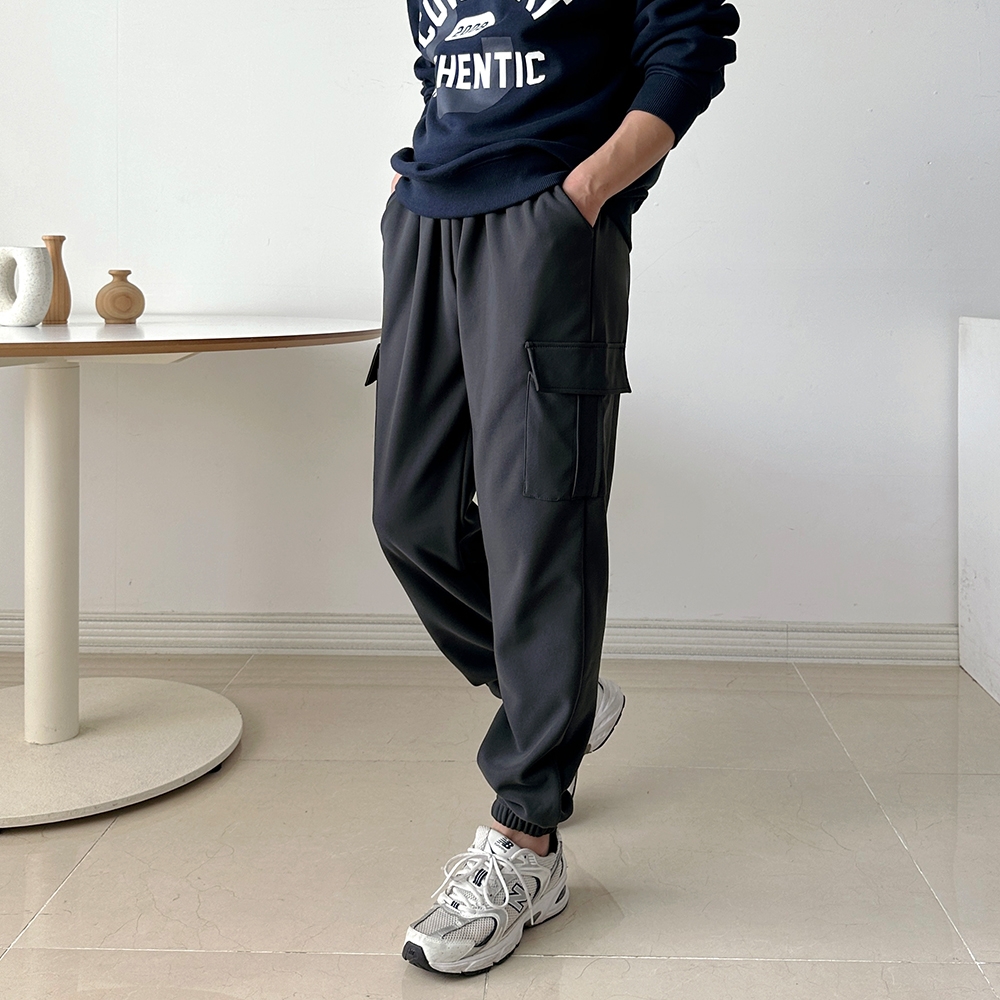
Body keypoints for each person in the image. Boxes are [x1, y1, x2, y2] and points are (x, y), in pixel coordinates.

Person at [368, 0, 739, 975]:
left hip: (545, 224)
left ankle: (526, 840)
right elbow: (444, 62)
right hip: (426, 223)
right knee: (408, 514)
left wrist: (583, 194)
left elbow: (691, 44)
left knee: (539, 524)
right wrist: (411, 196)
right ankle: (560, 690)